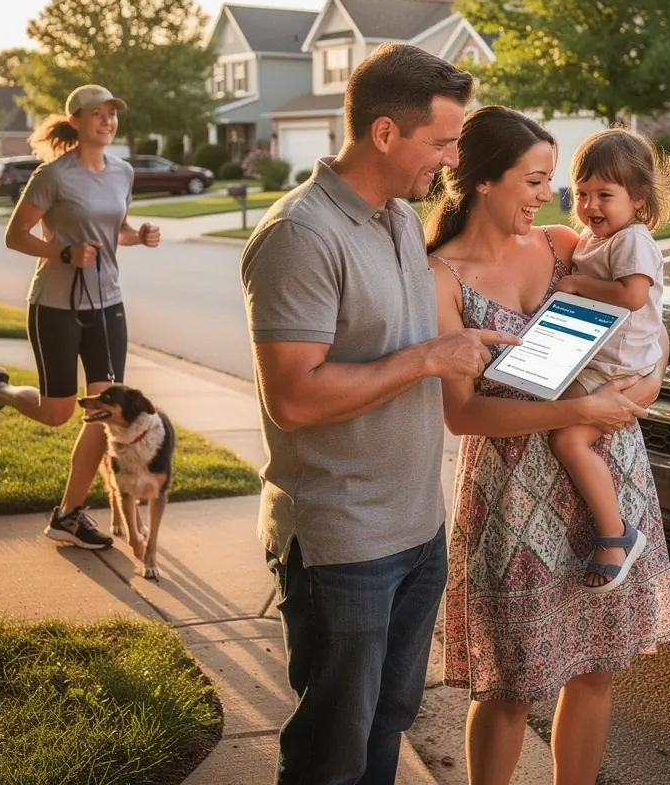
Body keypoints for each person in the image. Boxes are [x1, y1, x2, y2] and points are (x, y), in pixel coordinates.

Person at [240, 43, 518, 785]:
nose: (453, 160)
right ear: (386, 133)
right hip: (344, 538)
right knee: (331, 752)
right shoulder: (301, 235)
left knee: (385, 727)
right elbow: (293, 398)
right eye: (442, 142)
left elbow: (406, 341)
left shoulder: (396, 216)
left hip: (417, 529)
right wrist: (428, 359)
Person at [426, 106, 670, 785]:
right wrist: (578, 410)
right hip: (512, 492)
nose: (550, 197)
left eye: (550, 181)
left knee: (595, 668)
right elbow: (461, 415)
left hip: (605, 469)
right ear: (484, 181)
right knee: (509, 683)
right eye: (535, 180)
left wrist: (647, 384)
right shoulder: (440, 276)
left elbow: (649, 328)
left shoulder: (564, 245)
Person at [0, 85, 160, 550]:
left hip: (108, 304)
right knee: (58, 412)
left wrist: (139, 235)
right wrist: (64, 252)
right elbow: (15, 235)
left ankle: (68, 514)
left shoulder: (123, 171)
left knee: (103, 412)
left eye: (112, 114)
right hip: (55, 305)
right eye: (98, 114)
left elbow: (116, 229)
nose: (107, 122)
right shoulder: (53, 176)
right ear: (76, 121)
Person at [549, 128, 670, 591]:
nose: (590, 205)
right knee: (551, 408)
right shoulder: (593, 239)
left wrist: (577, 285)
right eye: (582, 193)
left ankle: (616, 535)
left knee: (568, 440)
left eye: (605, 195)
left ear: (639, 198)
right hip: (599, 361)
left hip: (620, 368)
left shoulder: (632, 240)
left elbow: (632, 296)